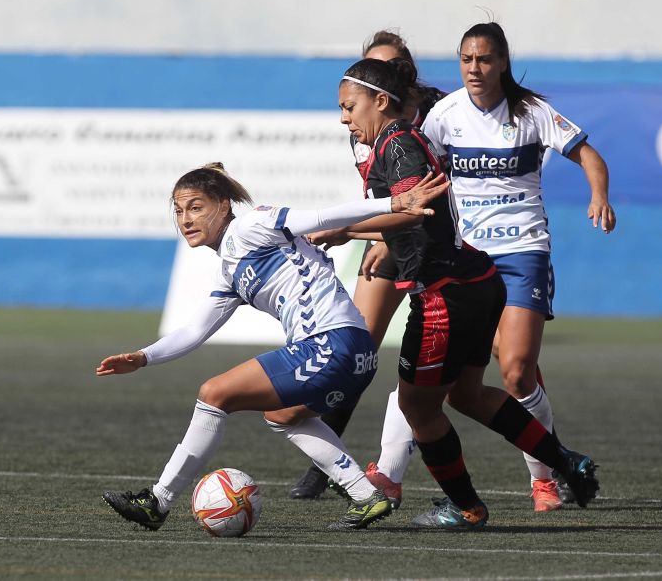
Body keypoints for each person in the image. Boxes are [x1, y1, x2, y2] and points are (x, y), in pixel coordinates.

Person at [97, 162, 450, 531]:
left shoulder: (252, 225)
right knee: (282, 414)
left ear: (223, 205)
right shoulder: (229, 270)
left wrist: (394, 203)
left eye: (196, 207)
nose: (186, 219)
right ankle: (365, 495)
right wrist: (144, 357)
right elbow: (195, 330)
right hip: (353, 353)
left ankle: (158, 501)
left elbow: (324, 216)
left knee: (214, 393)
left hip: (330, 344)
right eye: (179, 210)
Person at [330, 56, 599, 529]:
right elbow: (415, 217)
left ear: (381, 101)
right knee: (467, 395)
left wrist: (345, 229)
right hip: (475, 282)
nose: (344, 118)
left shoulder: (397, 145)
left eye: (350, 107)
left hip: (445, 294)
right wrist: (360, 234)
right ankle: (564, 461)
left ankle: (466, 507)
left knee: (417, 407)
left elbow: (413, 213)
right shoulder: (399, 141)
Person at [420, 22, 617, 511]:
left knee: (515, 371)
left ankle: (543, 480)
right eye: (466, 59)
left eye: (484, 59)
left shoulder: (531, 112)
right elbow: (421, 179)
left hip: (523, 252)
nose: (474, 68)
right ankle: (561, 461)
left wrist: (599, 195)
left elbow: (589, 155)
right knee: (459, 385)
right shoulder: (444, 115)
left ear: (503, 62)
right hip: (467, 260)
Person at [289, 30, 446, 503]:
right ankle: (326, 465)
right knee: (356, 346)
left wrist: (372, 232)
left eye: (393, 65)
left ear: (404, 74)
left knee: (505, 363)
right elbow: (381, 194)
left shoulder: (439, 113)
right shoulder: (363, 123)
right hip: (394, 235)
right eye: (374, 65)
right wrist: (381, 237)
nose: (385, 73)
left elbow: (431, 195)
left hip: (440, 241)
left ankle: (549, 467)